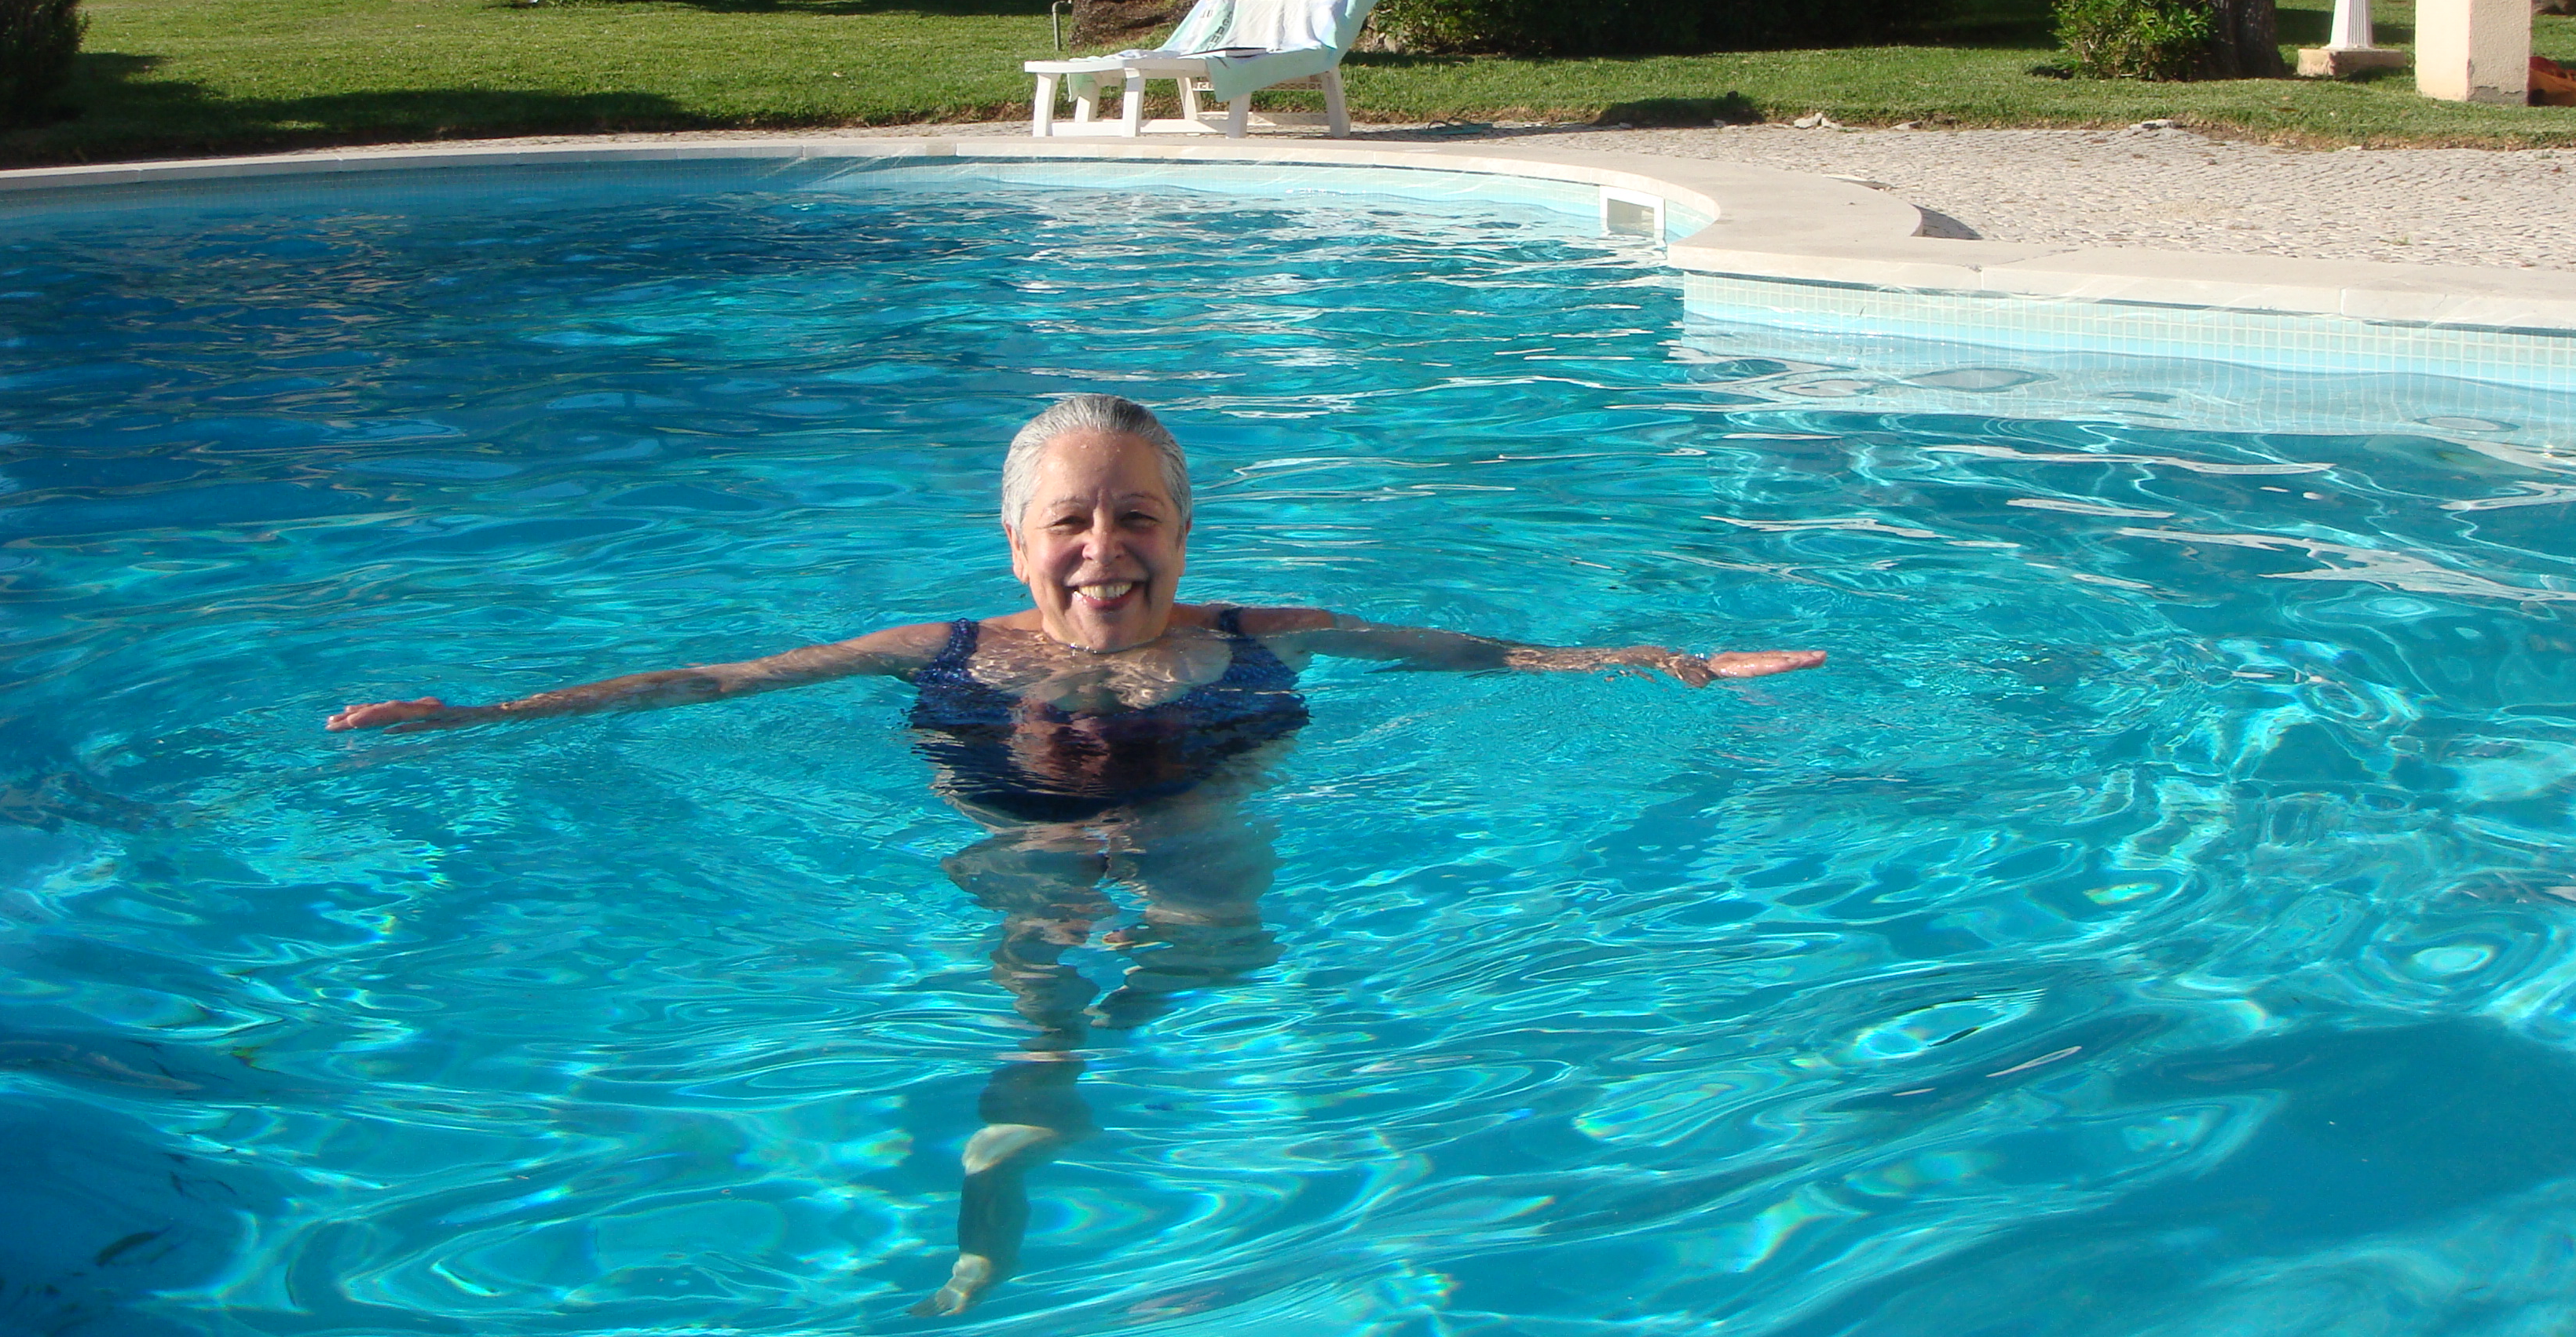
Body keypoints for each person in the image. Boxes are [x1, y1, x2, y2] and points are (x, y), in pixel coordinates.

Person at [327, 393, 1824, 1317]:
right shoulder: (941, 646)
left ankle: (1120, 1024)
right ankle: (987, 1242)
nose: (1105, 543)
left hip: (1196, 808)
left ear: (1185, 530)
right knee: (1032, 1014)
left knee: (1221, 945)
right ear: (1014, 534)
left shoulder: (1266, 632)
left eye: (1138, 515)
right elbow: (717, 684)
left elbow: (1492, 654)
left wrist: (1667, 661)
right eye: (1073, 518)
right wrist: (486, 715)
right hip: (1018, 823)